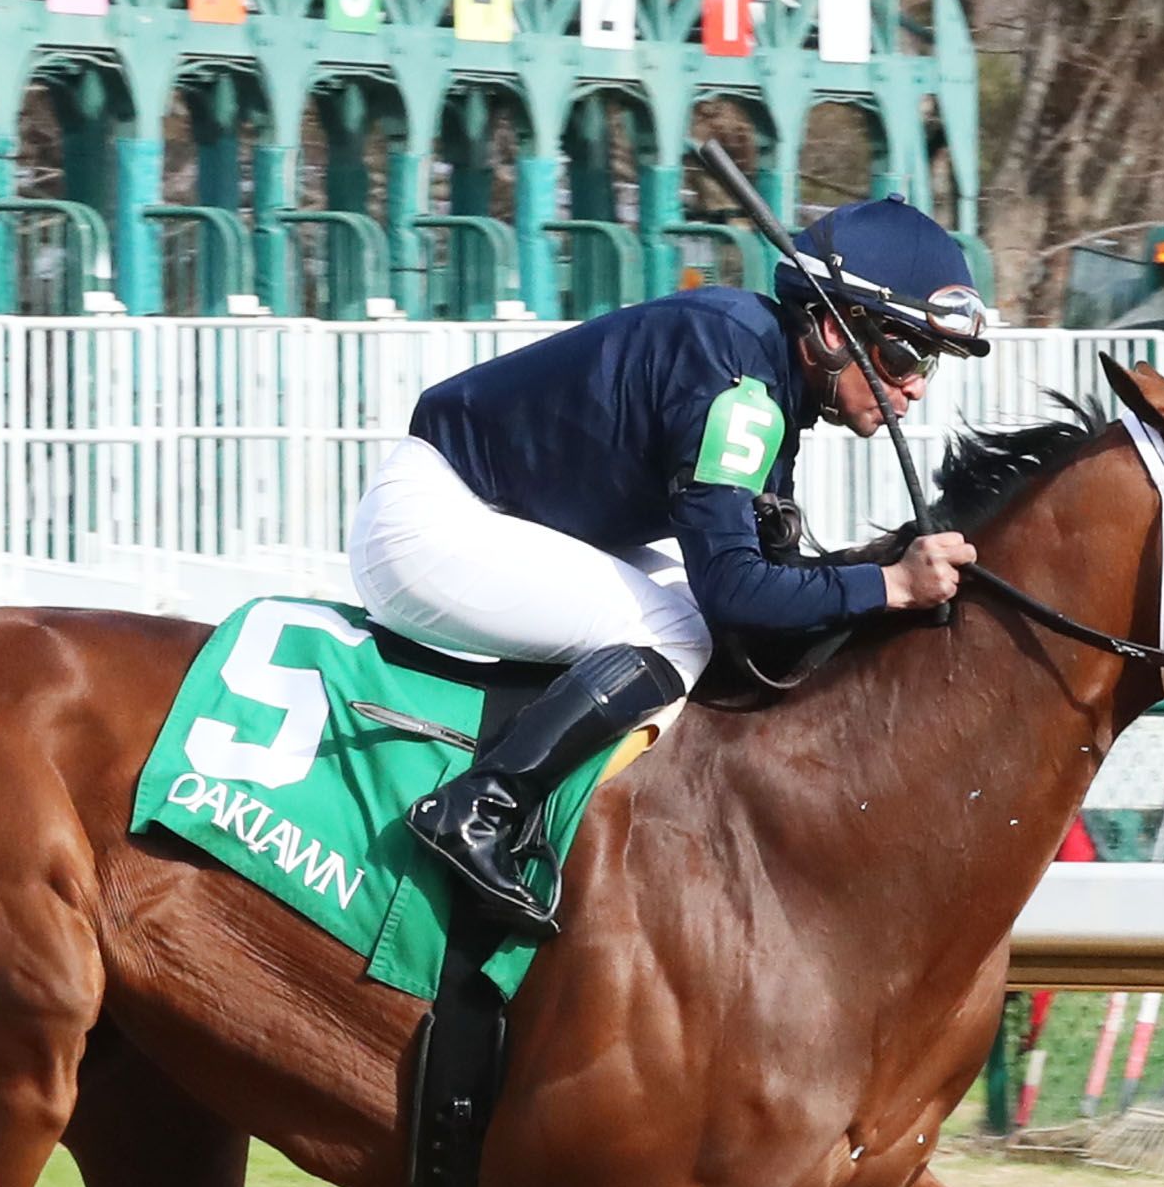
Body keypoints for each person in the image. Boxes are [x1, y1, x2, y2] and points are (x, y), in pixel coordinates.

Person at [349, 195, 995, 938]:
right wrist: (889, 584)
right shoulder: (741, 392)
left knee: (685, 613)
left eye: (927, 366)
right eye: (902, 355)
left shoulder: (763, 367)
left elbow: (773, 575)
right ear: (827, 327)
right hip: (432, 525)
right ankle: (479, 807)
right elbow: (736, 590)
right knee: (675, 631)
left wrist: (872, 576)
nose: (915, 385)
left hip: (497, 514)